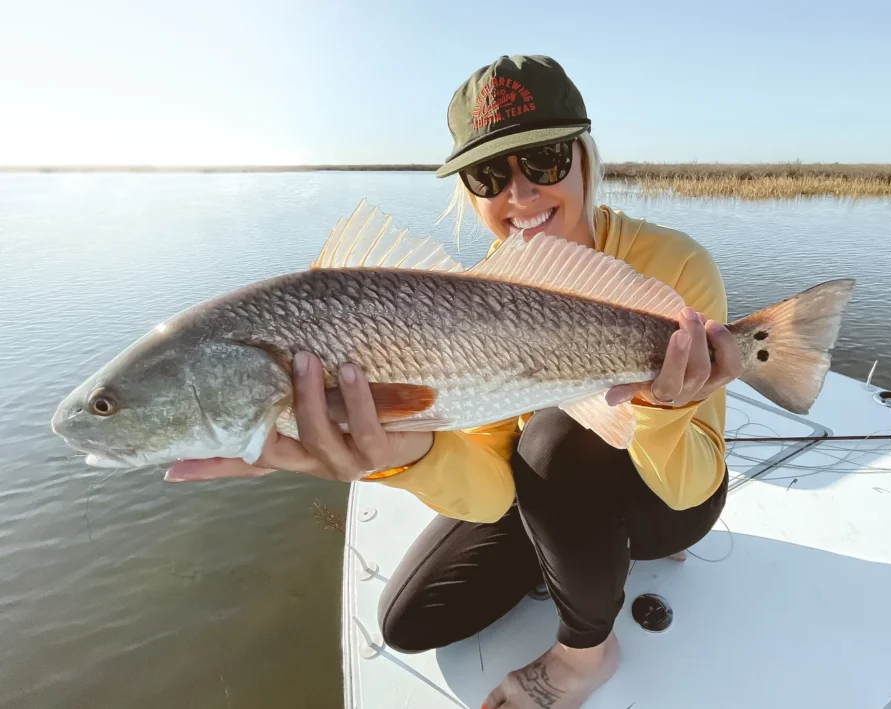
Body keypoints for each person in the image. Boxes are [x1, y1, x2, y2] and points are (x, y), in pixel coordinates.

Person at [167, 55, 742, 709]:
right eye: (490, 173)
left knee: (552, 435)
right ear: (468, 190)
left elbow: (694, 478)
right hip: (551, 496)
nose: (520, 195)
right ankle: (576, 548)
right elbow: (495, 487)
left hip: (673, 502)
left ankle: (586, 653)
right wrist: (407, 453)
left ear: (585, 157)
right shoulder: (474, 299)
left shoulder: (676, 265)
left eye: (546, 160)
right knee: (410, 620)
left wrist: (665, 408)